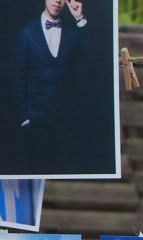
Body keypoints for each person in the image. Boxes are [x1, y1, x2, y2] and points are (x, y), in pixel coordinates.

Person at [15, 0, 90, 175]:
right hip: (36, 122)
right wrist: (25, 118)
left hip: (68, 122)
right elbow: (19, 77)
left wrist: (80, 19)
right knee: (38, 174)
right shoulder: (28, 32)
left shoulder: (73, 31)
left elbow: (95, 56)